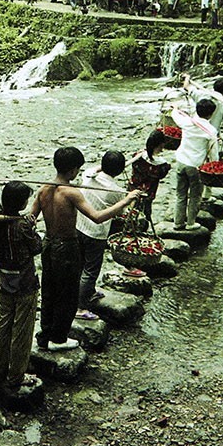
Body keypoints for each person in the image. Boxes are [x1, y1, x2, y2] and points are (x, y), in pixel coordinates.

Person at [32, 148, 141, 352]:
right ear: (73, 170)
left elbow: (31, 218)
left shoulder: (43, 189)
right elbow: (97, 217)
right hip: (66, 246)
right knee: (67, 294)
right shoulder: (72, 193)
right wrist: (125, 201)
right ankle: (59, 338)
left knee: (49, 291)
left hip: (48, 244)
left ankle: (44, 335)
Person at [0, 181, 42, 398]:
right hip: (24, 283)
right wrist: (33, 228)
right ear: (21, 202)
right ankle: (16, 377)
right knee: (22, 330)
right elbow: (37, 247)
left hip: (4, 280)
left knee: (2, 326)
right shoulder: (21, 226)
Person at [75, 151, 126, 321]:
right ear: (119, 171)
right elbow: (121, 211)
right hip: (96, 233)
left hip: (79, 226)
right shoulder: (117, 191)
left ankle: (88, 292)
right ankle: (81, 308)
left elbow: (93, 169)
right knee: (91, 270)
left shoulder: (88, 176)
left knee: (80, 265)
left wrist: (101, 167)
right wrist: (130, 198)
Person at [170, 98, 218, 231]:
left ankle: (178, 223)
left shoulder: (187, 122)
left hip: (181, 161)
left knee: (181, 194)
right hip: (195, 166)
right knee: (195, 195)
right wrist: (214, 166)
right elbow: (214, 153)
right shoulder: (211, 131)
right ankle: (191, 222)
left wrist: (175, 108)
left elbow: (175, 115)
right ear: (211, 114)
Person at [127, 130, 172, 221]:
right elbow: (161, 175)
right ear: (161, 145)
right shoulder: (162, 166)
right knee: (146, 214)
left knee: (131, 211)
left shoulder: (137, 156)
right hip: (147, 193)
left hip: (133, 189)